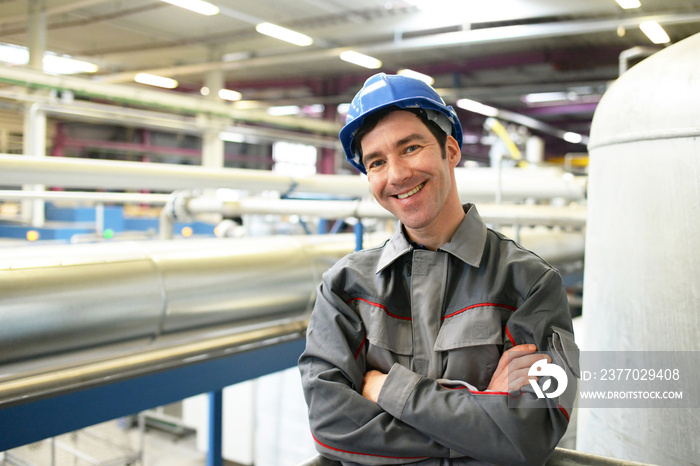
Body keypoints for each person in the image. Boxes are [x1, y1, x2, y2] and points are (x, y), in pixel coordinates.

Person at [298, 73, 579, 465]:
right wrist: (480, 427)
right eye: (376, 162)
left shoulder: (529, 285)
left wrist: (387, 390)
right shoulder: (345, 288)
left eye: (410, 148)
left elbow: (531, 433)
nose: (396, 174)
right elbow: (330, 426)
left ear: (450, 150)